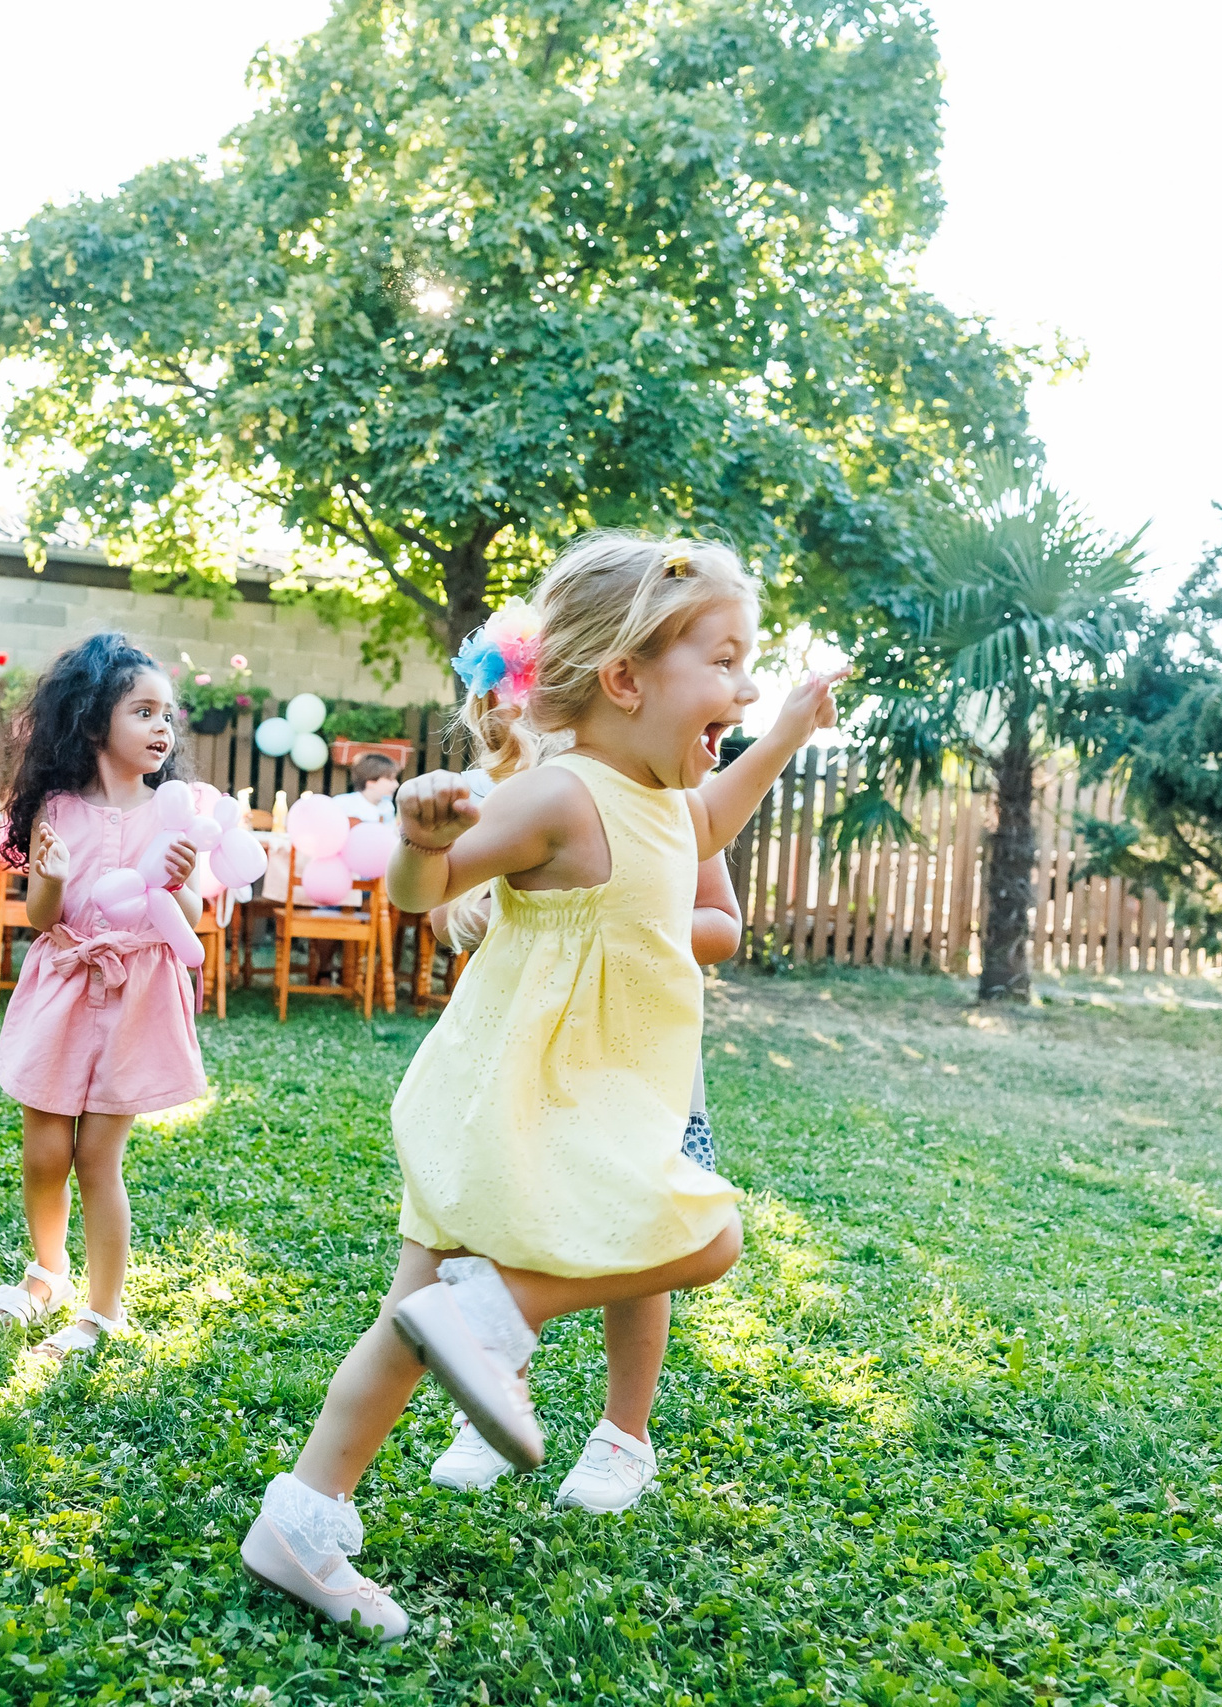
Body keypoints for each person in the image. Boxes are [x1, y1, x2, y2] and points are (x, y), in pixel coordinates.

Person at [236, 534, 844, 1637]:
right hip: (529, 1095)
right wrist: (421, 841)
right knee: (705, 1237)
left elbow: (716, 815)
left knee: (408, 1321)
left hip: (578, 1099)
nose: (743, 686)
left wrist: (789, 733)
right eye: (721, 661)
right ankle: (486, 1323)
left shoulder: (668, 799)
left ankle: (303, 1513)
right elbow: (428, 889)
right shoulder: (562, 794)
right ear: (624, 679)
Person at [424, 777, 744, 1510]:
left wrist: (632, 919)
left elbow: (722, 923)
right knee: (504, 1217)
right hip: (529, 1056)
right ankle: (490, 1406)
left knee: (649, 1232)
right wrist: (475, 914)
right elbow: (447, 901)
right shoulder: (512, 786)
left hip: (642, 1060)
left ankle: (623, 1436)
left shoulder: (673, 791)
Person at [0, 635, 208, 1356]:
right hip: (65, 984)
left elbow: (192, 916)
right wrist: (46, 875)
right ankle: (47, 1270)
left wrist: (179, 880)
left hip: (136, 994)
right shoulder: (56, 807)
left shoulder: (174, 815)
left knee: (97, 1156)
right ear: (91, 721)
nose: (162, 728)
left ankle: (102, 1311)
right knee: (45, 1150)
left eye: (167, 714)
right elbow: (42, 917)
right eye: (143, 711)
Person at [331, 753, 401, 823]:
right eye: (390, 780)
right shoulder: (342, 803)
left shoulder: (387, 806)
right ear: (371, 782)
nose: (396, 784)